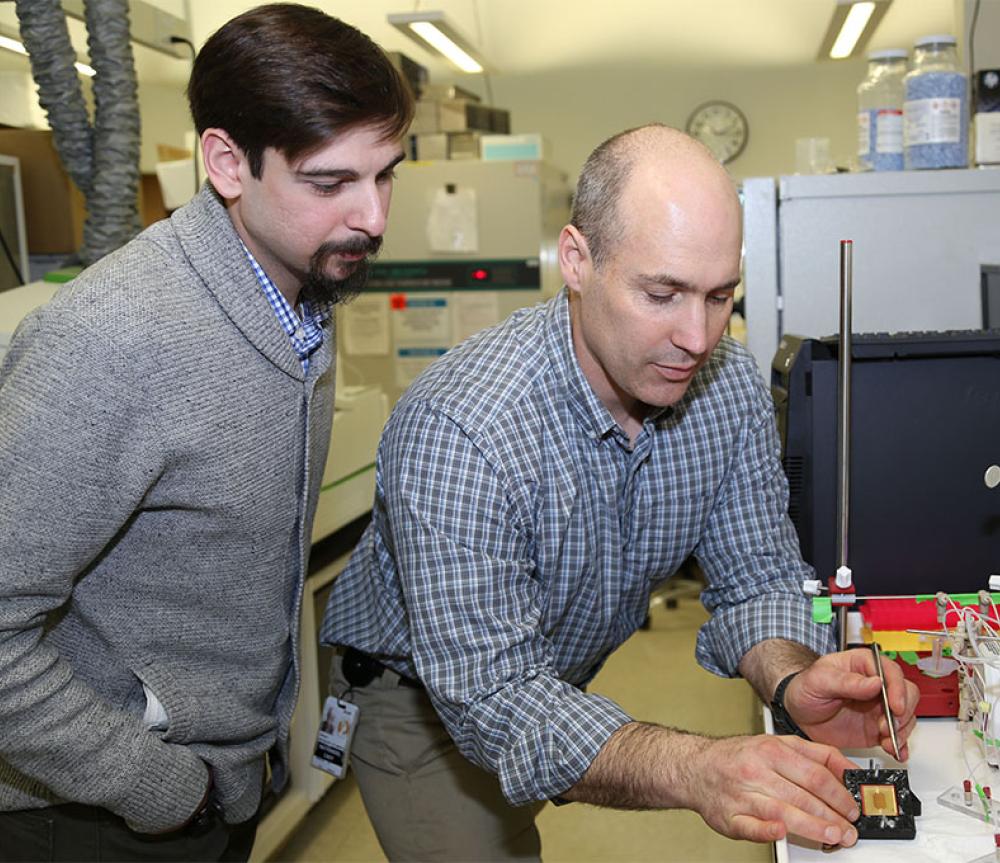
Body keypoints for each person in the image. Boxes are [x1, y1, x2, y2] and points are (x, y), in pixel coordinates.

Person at [320, 124, 920, 861]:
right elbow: (497, 698)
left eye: (719, 297)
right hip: (425, 700)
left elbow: (755, 572)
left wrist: (795, 678)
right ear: (577, 260)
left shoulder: (724, 385)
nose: (697, 337)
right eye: (662, 293)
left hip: (553, 674)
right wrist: (697, 768)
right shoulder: (465, 429)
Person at [0, 5, 411, 861]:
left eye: (387, 175)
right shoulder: (111, 340)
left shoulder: (299, 287)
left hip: (220, 783)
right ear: (227, 163)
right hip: (90, 812)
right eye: (331, 182)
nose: (372, 217)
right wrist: (156, 786)